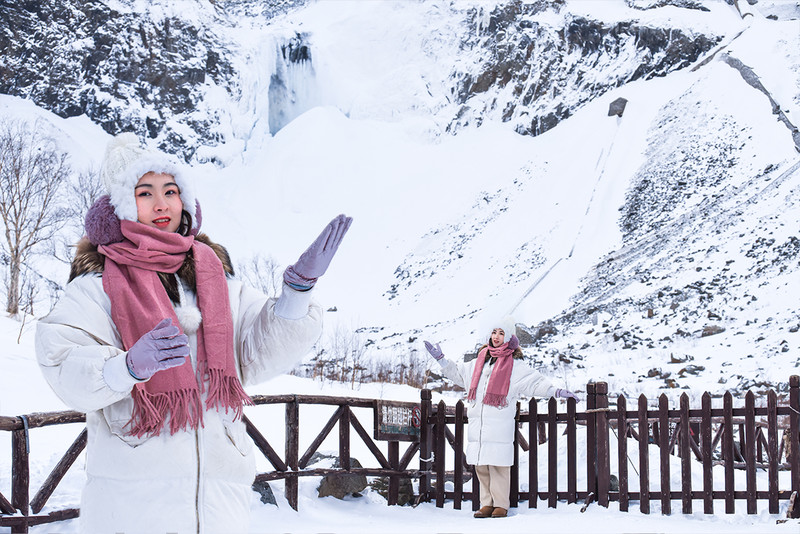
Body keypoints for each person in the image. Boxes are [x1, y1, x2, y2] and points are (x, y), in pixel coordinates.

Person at [35, 132, 352, 534]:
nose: (162, 203)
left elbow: (257, 351)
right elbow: (60, 359)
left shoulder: (214, 279)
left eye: (170, 190)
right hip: (133, 505)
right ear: (121, 205)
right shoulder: (98, 285)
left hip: (220, 504)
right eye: (145, 192)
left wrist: (297, 291)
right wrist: (125, 368)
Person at [424, 315, 578, 519]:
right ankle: (486, 504)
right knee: (481, 466)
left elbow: (534, 383)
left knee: (498, 466)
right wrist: (442, 360)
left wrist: (556, 392)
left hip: (499, 424)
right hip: (478, 425)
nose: (496, 337)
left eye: (501, 333)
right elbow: (459, 374)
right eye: (494, 332)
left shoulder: (514, 365)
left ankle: (501, 505)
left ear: (508, 337)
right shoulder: (479, 361)